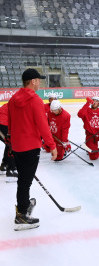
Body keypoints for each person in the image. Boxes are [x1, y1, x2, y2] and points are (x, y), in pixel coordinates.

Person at [8, 68, 57, 231]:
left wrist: (12, 144)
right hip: (30, 147)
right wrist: (52, 145)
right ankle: (21, 214)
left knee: (23, 179)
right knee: (25, 182)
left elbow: (11, 123)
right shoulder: (35, 100)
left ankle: (24, 205)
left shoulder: (13, 99)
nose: (40, 83)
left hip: (18, 146)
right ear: (33, 81)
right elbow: (43, 126)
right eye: (39, 80)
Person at [77, 96, 99, 160]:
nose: (94, 102)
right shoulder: (86, 110)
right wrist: (87, 103)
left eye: (96, 101)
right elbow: (80, 114)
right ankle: (94, 149)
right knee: (93, 157)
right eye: (93, 100)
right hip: (90, 135)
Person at [0, 103, 17, 179]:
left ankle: (4, 165)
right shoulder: (16, 106)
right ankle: (11, 170)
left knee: (9, 144)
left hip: (3, 125)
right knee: (12, 145)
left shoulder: (10, 104)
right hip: (3, 125)